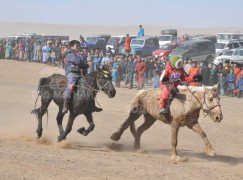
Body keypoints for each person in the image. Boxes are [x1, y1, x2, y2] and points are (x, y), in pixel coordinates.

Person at [62, 40, 89, 113]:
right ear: (71, 46)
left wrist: (84, 66)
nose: (78, 47)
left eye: (79, 46)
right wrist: (85, 65)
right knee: (71, 83)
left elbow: (81, 62)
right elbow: (78, 62)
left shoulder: (77, 54)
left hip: (78, 72)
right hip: (72, 73)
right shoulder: (70, 53)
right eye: (77, 46)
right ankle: (66, 102)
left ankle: (89, 104)